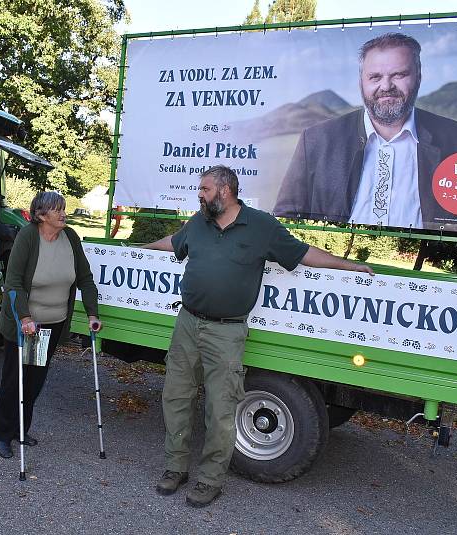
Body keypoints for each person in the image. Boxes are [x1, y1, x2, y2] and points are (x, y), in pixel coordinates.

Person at [144, 165, 373, 508]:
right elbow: (175, 243)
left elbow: (302, 252)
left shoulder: (261, 226)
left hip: (226, 331)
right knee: (175, 397)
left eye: (205, 188)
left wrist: (348, 265)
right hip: (187, 323)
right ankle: (175, 468)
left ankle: (210, 480)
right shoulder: (199, 222)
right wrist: (142, 248)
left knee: (221, 408)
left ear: (224, 191)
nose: (200, 194)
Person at [273, 32, 457, 233]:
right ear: (361, 82)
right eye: (375, 77)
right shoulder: (317, 140)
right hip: (334, 268)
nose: (386, 86)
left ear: (418, 77)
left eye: (399, 75)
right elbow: (284, 219)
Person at [0, 191, 102, 458]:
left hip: (52, 325)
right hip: (25, 324)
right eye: (57, 210)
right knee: (14, 379)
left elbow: (85, 279)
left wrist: (92, 313)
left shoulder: (71, 237)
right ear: (41, 215)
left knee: (35, 379)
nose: (63, 213)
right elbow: (14, 282)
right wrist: (26, 318)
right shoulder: (28, 237)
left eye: (63, 208)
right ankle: (2, 434)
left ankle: (22, 429)